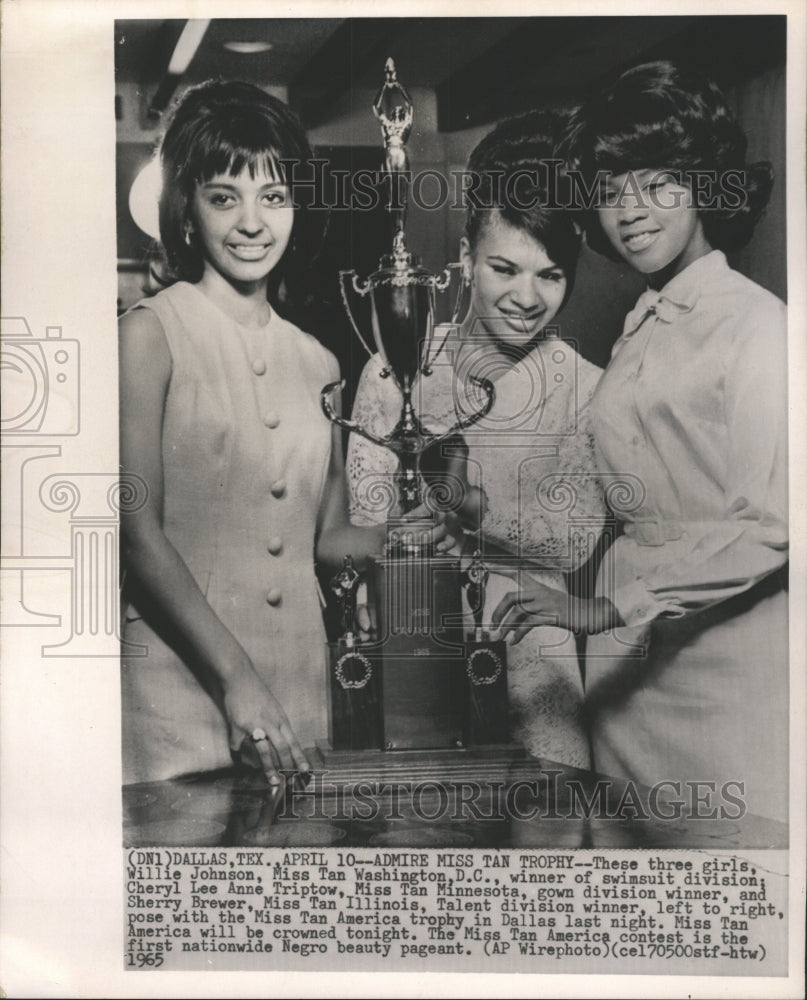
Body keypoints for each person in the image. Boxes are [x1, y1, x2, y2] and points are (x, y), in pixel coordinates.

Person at [120, 81, 450, 788]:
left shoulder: (319, 360)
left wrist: (399, 538)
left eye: (273, 196)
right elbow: (133, 534)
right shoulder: (148, 336)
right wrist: (236, 680)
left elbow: (327, 537)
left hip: (301, 694)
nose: (251, 222)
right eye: (223, 196)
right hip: (180, 698)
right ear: (186, 209)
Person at [494, 62, 788, 822]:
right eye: (610, 187)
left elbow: (772, 529)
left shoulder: (757, 326)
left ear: (705, 186)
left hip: (724, 682)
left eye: (656, 183)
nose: (629, 211)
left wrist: (608, 608)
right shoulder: (636, 329)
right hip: (621, 684)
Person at [347, 113, 606, 768]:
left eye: (549, 275)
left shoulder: (586, 385)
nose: (527, 296)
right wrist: (408, 533)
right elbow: (361, 522)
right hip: (414, 654)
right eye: (503, 268)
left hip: (536, 668)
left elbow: (573, 539)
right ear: (464, 256)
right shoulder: (393, 365)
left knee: (548, 849)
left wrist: (469, 509)